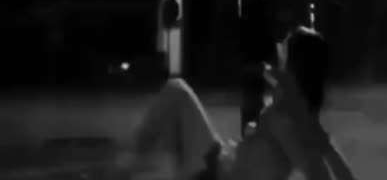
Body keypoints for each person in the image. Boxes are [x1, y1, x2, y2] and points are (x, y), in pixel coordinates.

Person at [224, 26, 359, 180]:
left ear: (293, 64)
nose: (279, 55)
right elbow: (327, 161)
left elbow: (316, 172)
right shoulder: (295, 110)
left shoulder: (285, 117)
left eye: (283, 52)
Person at [121, 54, 222, 180]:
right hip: (208, 154)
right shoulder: (175, 87)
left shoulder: (170, 93)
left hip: (202, 161)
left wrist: (128, 163)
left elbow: (147, 134)